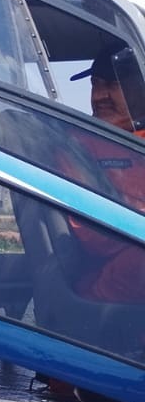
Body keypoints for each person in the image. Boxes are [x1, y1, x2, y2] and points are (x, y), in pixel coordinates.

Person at [62, 48, 145, 304]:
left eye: (113, 84)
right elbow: (94, 237)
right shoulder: (77, 144)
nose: (99, 96)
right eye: (95, 84)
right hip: (111, 282)